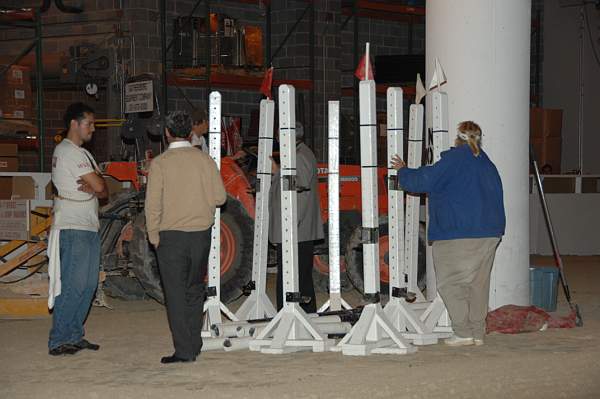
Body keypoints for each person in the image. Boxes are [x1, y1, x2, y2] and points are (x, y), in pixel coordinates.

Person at [392, 120, 505, 347]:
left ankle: (462, 332)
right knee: (478, 284)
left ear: (457, 138)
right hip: (490, 232)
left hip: (458, 232)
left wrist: (403, 171)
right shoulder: (487, 163)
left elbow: (425, 180)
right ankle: (477, 332)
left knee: (451, 284)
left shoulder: (454, 160)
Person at [145, 110, 226, 364]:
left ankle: (184, 350)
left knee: (176, 294)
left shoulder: (160, 163)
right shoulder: (205, 160)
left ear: (167, 133)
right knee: (194, 289)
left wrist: (153, 235)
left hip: (171, 238)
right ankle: (195, 342)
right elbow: (220, 198)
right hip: (201, 236)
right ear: (191, 131)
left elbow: (152, 205)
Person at [48, 102, 108, 356]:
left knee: (87, 284)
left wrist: (97, 185)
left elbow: (103, 190)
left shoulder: (82, 153)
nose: (93, 129)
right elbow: (99, 184)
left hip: (86, 226)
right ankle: (59, 339)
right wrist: (96, 185)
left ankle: (73, 334)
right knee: (73, 284)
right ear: (74, 123)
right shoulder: (69, 151)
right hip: (73, 227)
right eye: (89, 124)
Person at [269, 122, 324, 313]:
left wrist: (289, 225)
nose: (277, 140)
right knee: (300, 277)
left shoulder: (300, 157)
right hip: (297, 229)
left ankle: (293, 315)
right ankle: (306, 314)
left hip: (296, 230)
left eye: (279, 135)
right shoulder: (298, 154)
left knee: (293, 277)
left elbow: (298, 191)